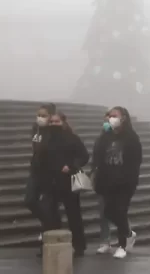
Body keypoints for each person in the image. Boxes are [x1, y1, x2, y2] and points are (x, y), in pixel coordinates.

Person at [93, 107, 142, 259]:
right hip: (107, 180)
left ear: (124, 118)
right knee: (108, 212)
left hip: (124, 182)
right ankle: (128, 233)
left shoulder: (131, 138)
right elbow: (98, 155)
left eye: (115, 115)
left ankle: (122, 245)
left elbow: (136, 161)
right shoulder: (106, 136)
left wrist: (129, 180)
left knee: (120, 211)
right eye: (110, 116)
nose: (111, 118)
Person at [38, 112, 89, 257]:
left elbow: (84, 156)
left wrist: (71, 166)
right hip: (50, 182)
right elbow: (40, 159)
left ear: (63, 122)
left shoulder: (72, 138)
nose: (54, 124)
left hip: (68, 181)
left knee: (73, 215)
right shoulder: (45, 139)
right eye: (52, 122)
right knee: (49, 215)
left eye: (57, 121)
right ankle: (50, 245)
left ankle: (79, 246)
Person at [26, 103, 58, 252]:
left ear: (50, 116)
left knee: (48, 206)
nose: (40, 118)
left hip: (49, 173)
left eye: (44, 115)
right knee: (29, 200)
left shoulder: (54, 131)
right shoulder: (35, 128)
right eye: (38, 115)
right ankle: (50, 226)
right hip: (35, 171)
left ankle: (48, 232)